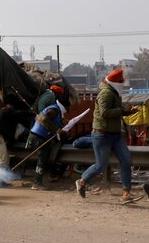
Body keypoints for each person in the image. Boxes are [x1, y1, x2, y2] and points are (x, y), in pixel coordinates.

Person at [75, 69, 140, 203]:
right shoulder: (106, 93)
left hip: (115, 134)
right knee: (101, 165)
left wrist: (127, 112)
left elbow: (115, 112)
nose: (122, 83)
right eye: (121, 81)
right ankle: (82, 181)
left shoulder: (114, 92)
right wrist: (123, 111)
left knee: (126, 161)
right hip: (102, 134)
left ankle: (126, 193)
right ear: (115, 82)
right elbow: (105, 113)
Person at [26, 99, 67, 190]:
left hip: (36, 136)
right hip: (39, 137)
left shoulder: (52, 108)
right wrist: (55, 130)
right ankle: (37, 183)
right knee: (42, 159)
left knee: (43, 158)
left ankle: (38, 180)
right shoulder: (55, 110)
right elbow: (44, 120)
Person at [0, 95, 31, 172]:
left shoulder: (4, 112)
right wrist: (30, 112)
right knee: (3, 160)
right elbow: (19, 113)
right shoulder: (7, 110)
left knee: (6, 159)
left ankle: (0, 180)